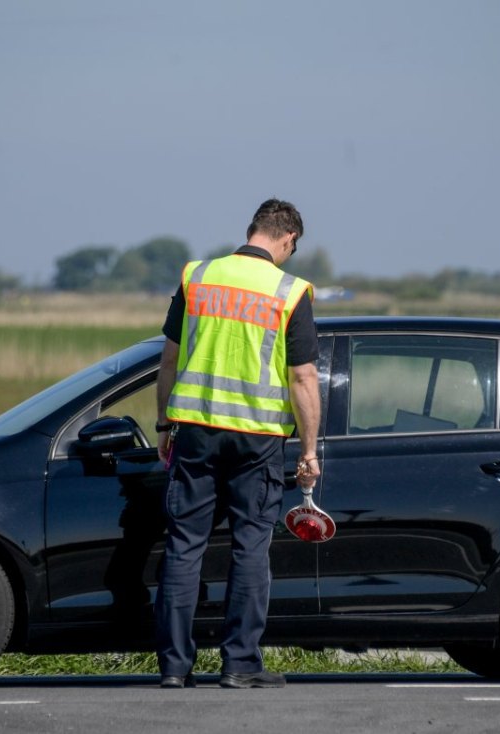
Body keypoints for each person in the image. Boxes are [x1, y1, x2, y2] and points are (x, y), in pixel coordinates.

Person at [154, 198, 321, 689]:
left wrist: (164, 426)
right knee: (251, 547)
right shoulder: (289, 291)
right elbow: (303, 376)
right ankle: (240, 665)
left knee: (184, 547)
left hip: (196, 431)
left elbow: (168, 360)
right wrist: (309, 450)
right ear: (287, 239)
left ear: (252, 230)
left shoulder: (198, 276)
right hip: (258, 438)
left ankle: (174, 668)